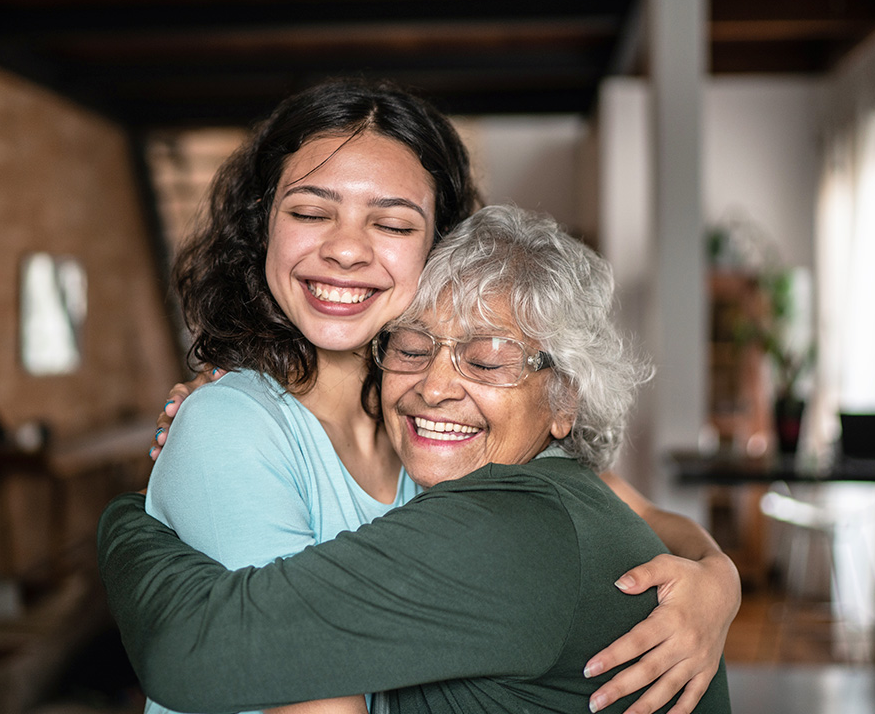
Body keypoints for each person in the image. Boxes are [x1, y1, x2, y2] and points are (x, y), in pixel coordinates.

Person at [142, 80, 737, 714]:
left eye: (393, 222)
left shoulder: (432, 432)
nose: (344, 248)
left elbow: (636, 513)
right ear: (263, 226)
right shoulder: (235, 426)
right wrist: (125, 527)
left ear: (442, 250)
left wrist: (717, 581)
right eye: (311, 212)